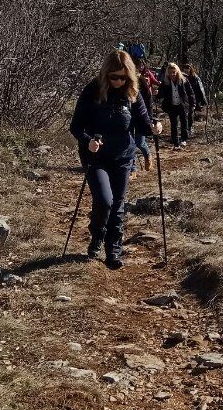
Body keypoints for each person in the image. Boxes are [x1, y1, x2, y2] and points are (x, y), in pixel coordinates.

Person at [69, 49, 162, 268]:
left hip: (123, 156)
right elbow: (75, 126)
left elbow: (143, 123)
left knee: (118, 204)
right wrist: (88, 140)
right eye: (114, 77)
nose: (118, 81)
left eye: (122, 77)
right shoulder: (92, 90)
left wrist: (153, 127)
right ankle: (97, 235)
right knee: (104, 200)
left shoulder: (133, 92)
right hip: (96, 156)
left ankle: (114, 250)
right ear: (106, 74)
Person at [128, 43, 160, 173]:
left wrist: (150, 117)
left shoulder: (142, 80)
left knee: (139, 142)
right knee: (130, 142)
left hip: (142, 114)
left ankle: (147, 155)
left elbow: (148, 101)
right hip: (128, 115)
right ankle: (133, 168)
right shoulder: (125, 81)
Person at [159, 62, 195, 149]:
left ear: (177, 72)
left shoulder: (184, 80)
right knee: (174, 124)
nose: (173, 74)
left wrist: (193, 104)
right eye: (171, 72)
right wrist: (156, 94)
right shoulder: (165, 82)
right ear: (168, 73)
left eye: (174, 72)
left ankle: (183, 139)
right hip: (171, 106)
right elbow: (161, 93)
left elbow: (190, 93)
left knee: (184, 122)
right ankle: (175, 143)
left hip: (182, 104)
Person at [183, 62, 208, 135]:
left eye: (187, 71)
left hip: (193, 98)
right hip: (184, 98)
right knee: (184, 114)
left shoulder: (195, 78)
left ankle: (189, 128)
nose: (186, 72)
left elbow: (201, 89)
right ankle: (185, 128)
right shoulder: (181, 77)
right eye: (184, 71)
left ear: (191, 70)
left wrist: (203, 100)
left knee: (190, 114)